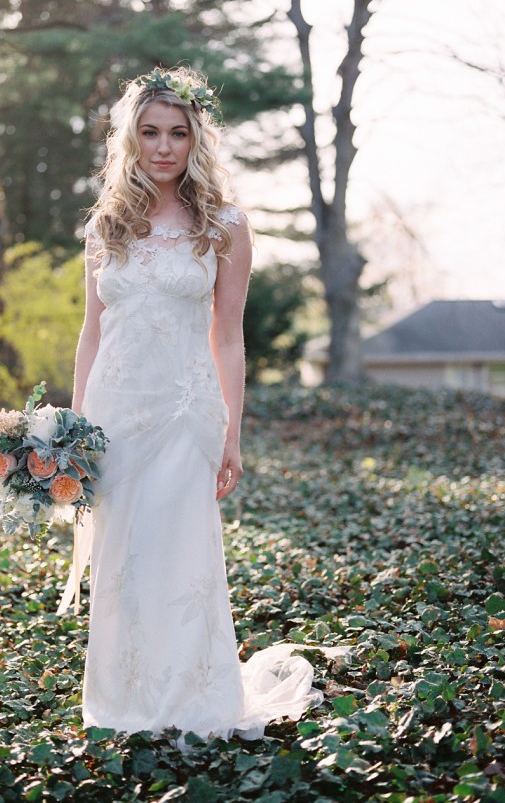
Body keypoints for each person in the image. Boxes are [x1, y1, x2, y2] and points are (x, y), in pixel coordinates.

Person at [62, 66, 322, 740]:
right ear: (131, 139)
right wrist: (73, 429)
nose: (163, 146)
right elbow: (91, 334)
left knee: (180, 558)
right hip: (114, 418)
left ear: (196, 138)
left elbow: (228, 336)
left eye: (178, 132)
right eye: (149, 132)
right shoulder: (106, 225)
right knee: (122, 563)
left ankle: (191, 705)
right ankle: (124, 704)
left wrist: (231, 434)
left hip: (185, 416)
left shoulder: (226, 225)